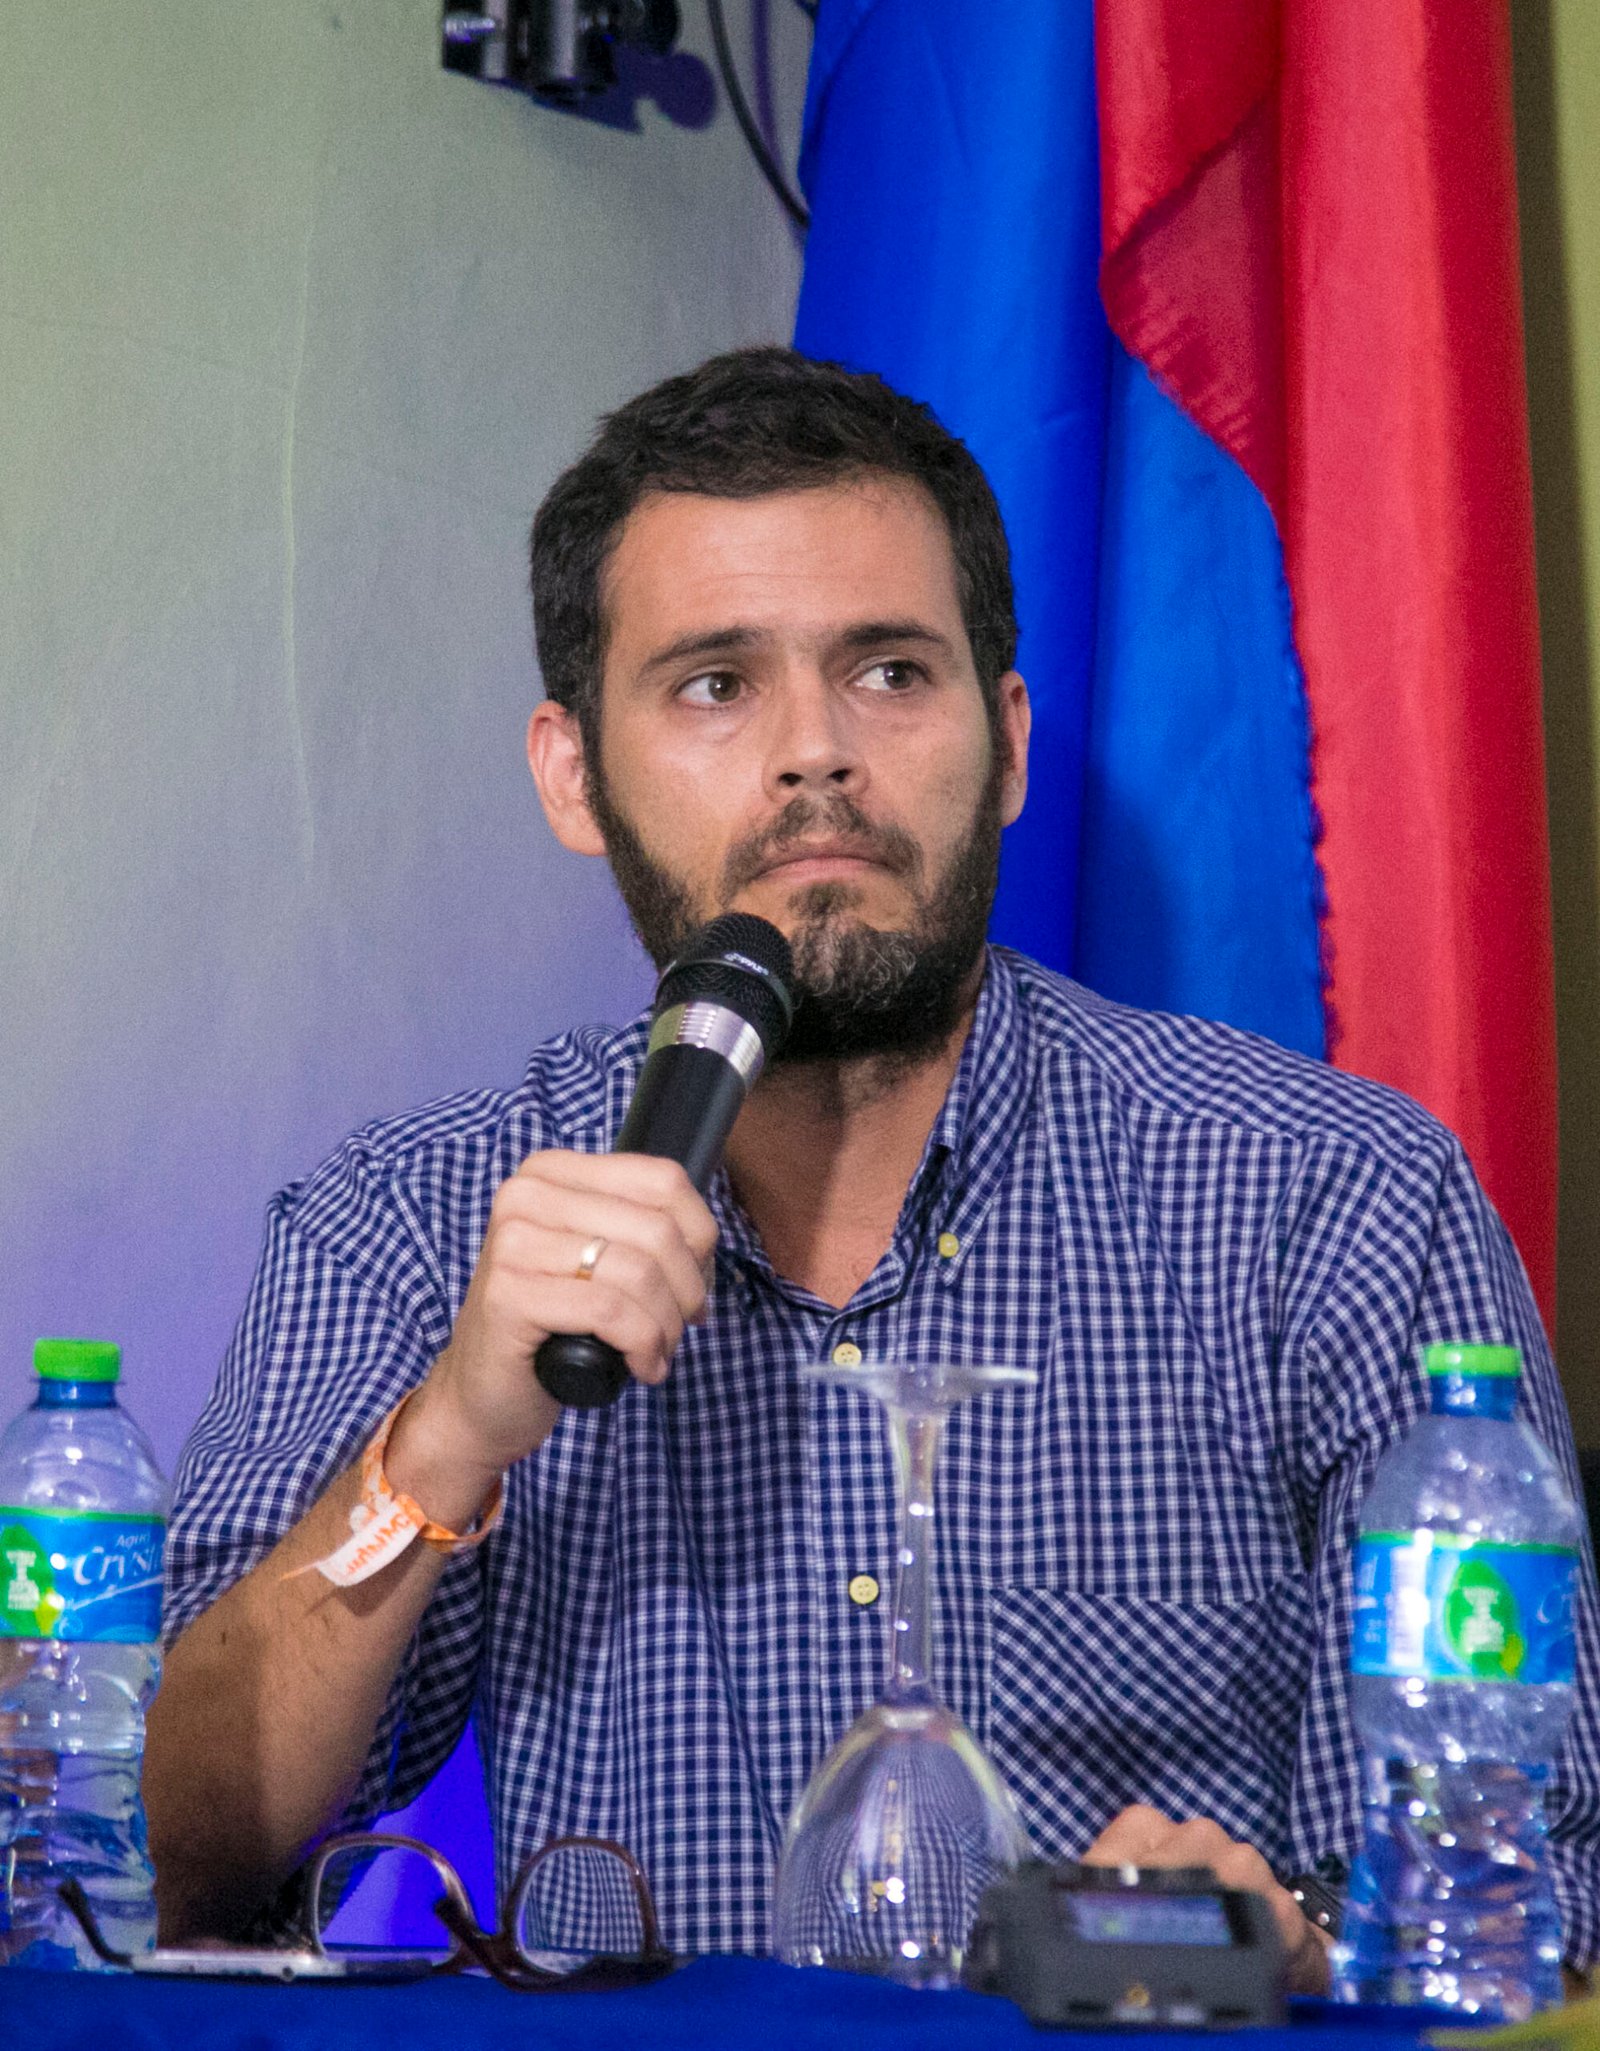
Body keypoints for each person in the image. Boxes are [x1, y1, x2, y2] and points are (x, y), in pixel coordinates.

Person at [144, 348, 1600, 1990]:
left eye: (892, 672)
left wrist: (1294, 1946)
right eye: (715, 685)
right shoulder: (413, 1220)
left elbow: (1536, 1889)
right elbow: (154, 1860)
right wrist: (448, 1442)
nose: (815, 754)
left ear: (1010, 742)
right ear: (573, 775)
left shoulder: (1338, 1203)